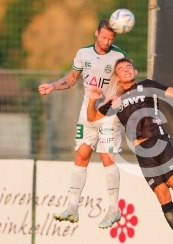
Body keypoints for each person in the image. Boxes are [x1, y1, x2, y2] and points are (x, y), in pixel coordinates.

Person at [87, 58, 173, 244]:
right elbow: (92, 118)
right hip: (143, 153)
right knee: (163, 196)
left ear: (135, 70)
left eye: (129, 67)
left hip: (160, 142)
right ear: (117, 78)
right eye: (121, 69)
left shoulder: (147, 86)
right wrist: (94, 100)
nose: (126, 70)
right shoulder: (115, 99)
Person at [38, 19, 126, 229]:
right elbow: (71, 79)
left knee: (107, 157)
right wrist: (52, 86)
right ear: (96, 33)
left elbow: (124, 83)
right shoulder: (83, 53)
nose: (106, 42)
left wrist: (118, 96)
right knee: (81, 156)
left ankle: (114, 209)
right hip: (87, 113)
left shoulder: (118, 56)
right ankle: (72, 207)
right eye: (104, 37)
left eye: (110, 39)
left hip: (108, 114)